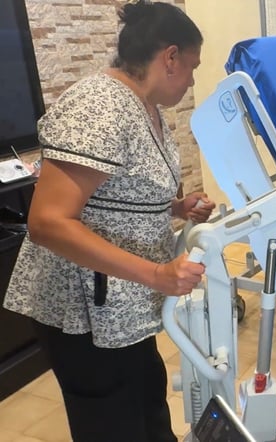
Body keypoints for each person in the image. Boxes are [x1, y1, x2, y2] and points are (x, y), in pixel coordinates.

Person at [2, 2, 214, 441]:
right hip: (83, 311)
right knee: (113, 424)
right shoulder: (99, 104)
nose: (192, 79)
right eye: (191, 66)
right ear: (169, 57)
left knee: (148, 402)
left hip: (123, 305)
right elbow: (48, 222)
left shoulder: (145, 107)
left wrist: (175, 208)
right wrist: (158, 273)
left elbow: (117, 190)